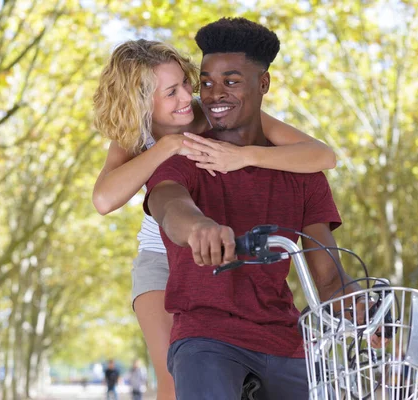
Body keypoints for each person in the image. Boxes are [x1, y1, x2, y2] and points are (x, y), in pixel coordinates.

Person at [92, 39, 338, 399]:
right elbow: (103, 199)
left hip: (224, 249)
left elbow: (322, 155)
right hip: (162, 258)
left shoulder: (209, 112)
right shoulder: (135, 135)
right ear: (141, 102)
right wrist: (169, 146)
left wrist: (246, 157)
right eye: (171, 92)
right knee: (174, 376)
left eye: (185, 85)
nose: (186, 98)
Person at [144, 17, 362, 399]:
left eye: (231, 81)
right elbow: (168, 202)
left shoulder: (301, 172)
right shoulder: (186, 152)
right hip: (206, 338)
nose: (213, 95)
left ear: (263, 84)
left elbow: (327, 278)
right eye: (207, 82)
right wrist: (199, 228)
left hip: (284, 340)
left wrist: (362, 310)